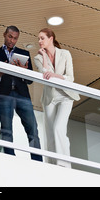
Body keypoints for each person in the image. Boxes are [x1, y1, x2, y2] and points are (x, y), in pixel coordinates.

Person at [0, 25, 42, 161]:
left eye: (15, 38)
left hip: (22, 95)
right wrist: (0, 72)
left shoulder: (24, 54)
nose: (12, 40)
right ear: (4, 35)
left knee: (32, 129)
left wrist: (24, 70)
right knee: (6, 129)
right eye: (10, 37)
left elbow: (29, 80)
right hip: (5, 95)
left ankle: (37, 160)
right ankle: (9, 158)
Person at [34, 28, 80, 168]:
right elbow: (46, 74)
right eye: (38, 39)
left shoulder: (65, 54)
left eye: (42, 38)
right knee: (50, 133)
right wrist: (43, 56)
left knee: (58, 127)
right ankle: (52, 165)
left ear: (51, 39)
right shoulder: (38, 58)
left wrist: (56, 76)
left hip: (66, 96)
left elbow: (70, 78)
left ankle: (64, 165)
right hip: (50, 98)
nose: (39, 41)